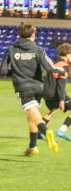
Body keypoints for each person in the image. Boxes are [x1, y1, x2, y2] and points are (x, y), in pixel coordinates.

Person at [0, 22, 64, 155]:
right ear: (33, 35)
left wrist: (16, 71)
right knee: (30, 115)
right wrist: (62, 70)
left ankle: (45, 131)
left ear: (19, 35)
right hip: (39, 87)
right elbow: (49, 67)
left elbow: (3, 70)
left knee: (34, 116)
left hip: (23, 88)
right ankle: (33, 146)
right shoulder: (38, 49)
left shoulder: (11, 50)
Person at [41, 42, 71, 141]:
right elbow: (61, 84)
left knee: (51, 111)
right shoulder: (64, 65)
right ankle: (61, 130)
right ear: (67, 54)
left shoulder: (51, 61)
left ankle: (37, 131)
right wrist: (62, 99)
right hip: (55, 93)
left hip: (45, 92)